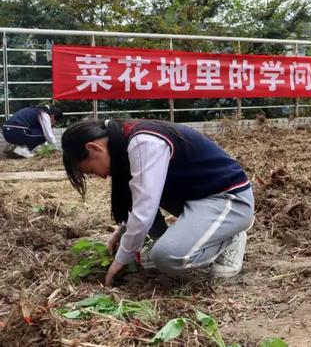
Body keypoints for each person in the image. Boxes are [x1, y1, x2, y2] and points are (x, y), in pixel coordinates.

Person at [61, 118, 254, 286]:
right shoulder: (125, 140)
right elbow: (140, 199)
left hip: (229, 200)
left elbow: (144, 210)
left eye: (92, 171)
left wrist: (119, 262)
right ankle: (199, 234)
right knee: (151, 237)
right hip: (196, 198)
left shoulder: (144, 142)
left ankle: (230, 237)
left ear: (93, 148)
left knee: (167, 257)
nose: (102, 177)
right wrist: (123, 230)